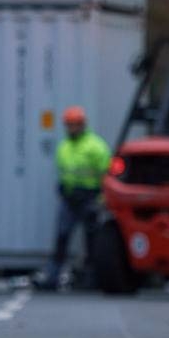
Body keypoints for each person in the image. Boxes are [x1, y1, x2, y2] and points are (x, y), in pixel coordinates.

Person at [36, 105, 111, 291]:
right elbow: (65, 172)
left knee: (92, 240)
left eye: (75, 125)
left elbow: (107, 176)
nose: (72, 128)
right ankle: (53, 276)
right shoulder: (64, 147)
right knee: (61, 238)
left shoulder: (96, 146)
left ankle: (92, 278)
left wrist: (100, 200)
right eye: (69, 125)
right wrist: (62, 188)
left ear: (83, 124)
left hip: (90, 199)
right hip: (69, 199)